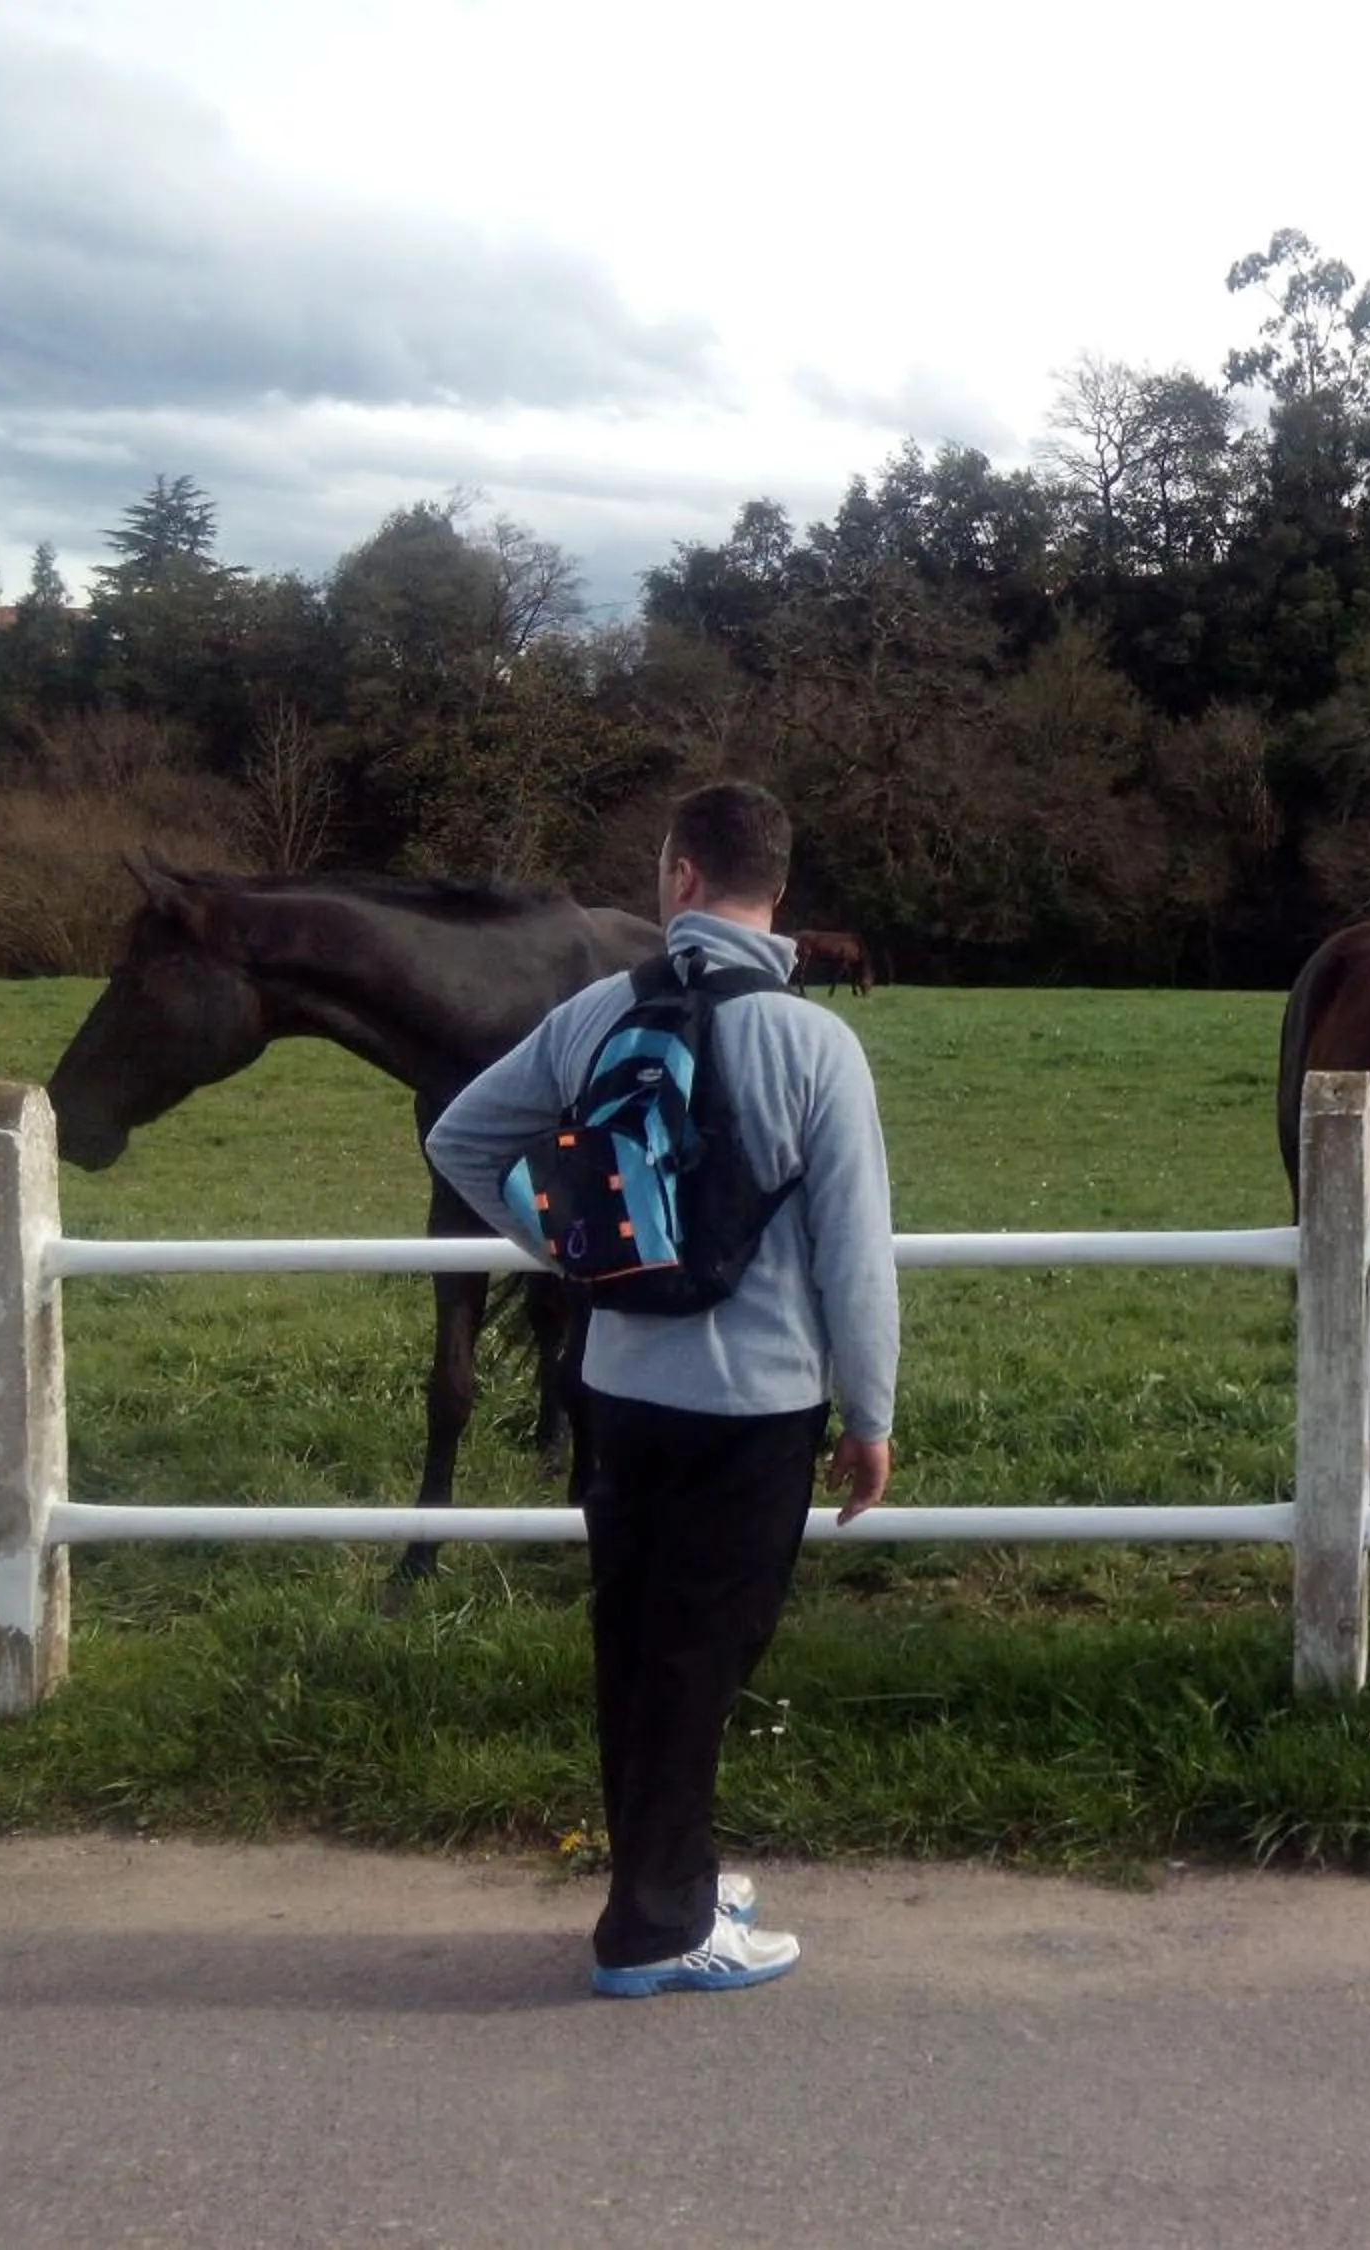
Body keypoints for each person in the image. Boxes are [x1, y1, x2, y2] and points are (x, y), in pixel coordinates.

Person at [426, 781, 899, 1997]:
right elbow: (856, 1251)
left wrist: (573, 1241)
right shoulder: (816, 1043)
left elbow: (463, 1142)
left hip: (618, 1389)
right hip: (759, 1406)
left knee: (636, 1646)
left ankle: (664, 1877)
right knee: (703, 1658)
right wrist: (871, 1416)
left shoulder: (596, 1013)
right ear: (776, 894)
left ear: (681, 878)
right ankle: (657, 1929)